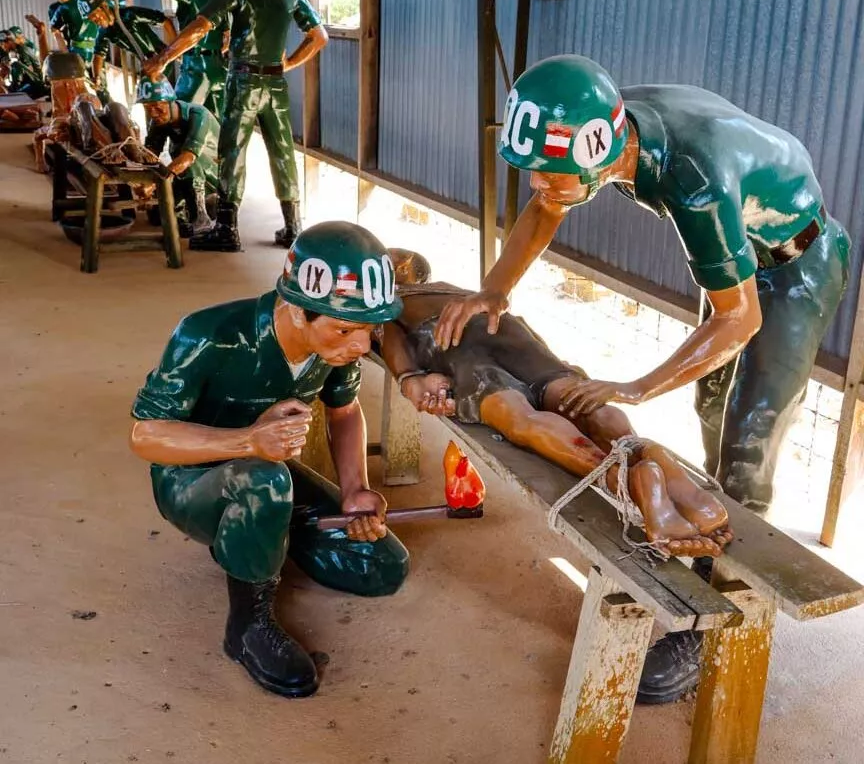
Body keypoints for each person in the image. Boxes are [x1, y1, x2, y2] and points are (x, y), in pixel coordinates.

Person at [434, 54, 850, 703]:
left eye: (548, 171)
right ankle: (710, 535)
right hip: (744, 251)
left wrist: (634, 388)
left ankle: (712, 620)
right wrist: (495, 289)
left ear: (599, 154)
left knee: (749, 436)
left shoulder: (693, 178)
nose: (538, 181)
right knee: (712, 406)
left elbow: (739, 317)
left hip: (797, 264)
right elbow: (548, 206)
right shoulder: (598, 118)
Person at [129, 221, 407, 698]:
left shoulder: (335, 352)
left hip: (269, 471)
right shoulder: (207, 334)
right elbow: (145, 436)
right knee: (266, 483)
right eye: (345, 329)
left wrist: (355, 490)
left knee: (381, 566)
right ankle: (247, 627)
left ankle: (263, 533)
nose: (361, 346)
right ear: (298, 310)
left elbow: (344, 411)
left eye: (369, 330)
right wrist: (249, 442)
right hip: (190, 481)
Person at [380, 249, 732, 559]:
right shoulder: (458, 290)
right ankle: (640, 449)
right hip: (506, 329)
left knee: (519, 415)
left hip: (447, 338)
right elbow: (521, 325)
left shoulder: (393, 302)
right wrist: (557, 365)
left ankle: (625, 483)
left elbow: (392, 339)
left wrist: (410, 377)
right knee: (571, 395)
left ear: (398, 274)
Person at [142, 0, 328, 253]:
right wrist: (287, 63)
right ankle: (293, 226)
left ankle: (227, 228)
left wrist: (164, 58)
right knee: (282, 151)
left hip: (244, 81)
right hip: (276, 85)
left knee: (232, 150)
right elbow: (319, 37)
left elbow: (201, 27)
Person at [121, 0, 229, 116]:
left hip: (196, 69)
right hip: (219, 69)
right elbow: (226, 39)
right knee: (215, 125)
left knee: (179, 119)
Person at [139, 75, 218, 235]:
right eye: (148, 108)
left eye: (157, 107)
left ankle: (201, 217)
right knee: (157, 214)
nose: (153, 113)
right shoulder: (159, 120)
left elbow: (188, 158)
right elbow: (150, 154)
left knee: (187, 161)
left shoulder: (199, 115)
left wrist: (156, 183)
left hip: (214, 177)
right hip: (184, 176)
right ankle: (185, 210)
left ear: (171, 101)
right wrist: (143, 180)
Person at [87, 0, 172, 83]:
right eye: (91, 19)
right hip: (148, 66)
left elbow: (165, 21)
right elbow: (98, 54)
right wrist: (96, 77)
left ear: (105, 6)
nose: (95, 20)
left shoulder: (130, 14)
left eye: (95, 14)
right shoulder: (103, 32)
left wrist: (173, 48)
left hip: (163, 59)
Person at [0, 27, 49, 98]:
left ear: (10, 41)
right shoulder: (13, 52)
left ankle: (14, 90)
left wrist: (12, 68)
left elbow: (30, 69)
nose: (2, 46)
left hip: (35, 84)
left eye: (2, 44)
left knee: (15, 65)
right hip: (28, 84)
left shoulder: (22, 49)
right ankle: (14, 90)